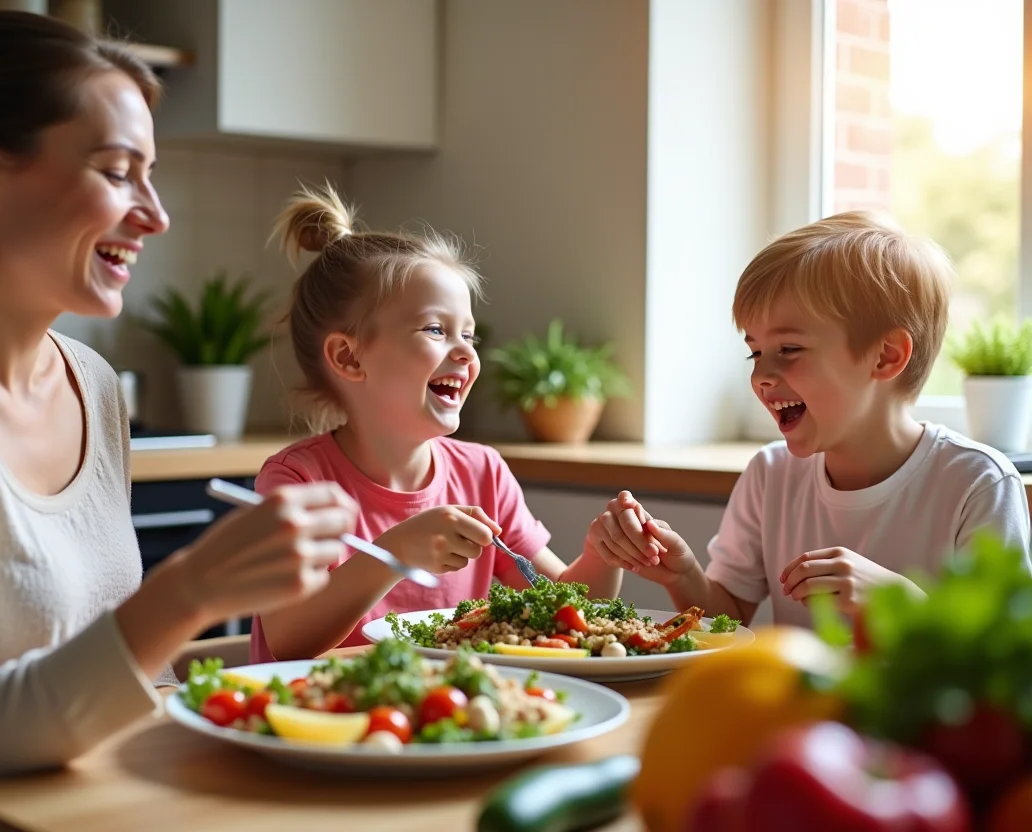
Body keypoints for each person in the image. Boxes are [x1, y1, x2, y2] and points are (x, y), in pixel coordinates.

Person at [0, 12, 356, 831]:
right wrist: (194, 589)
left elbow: (95, 681)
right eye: (117, 171)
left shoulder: (94, 384)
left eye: (153, 174)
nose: (155, 214)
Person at [587, 211, 1032, 627]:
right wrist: (683, 575)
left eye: (789, 350)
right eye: (755, 351)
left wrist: (897, 602)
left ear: (886, 356)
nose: (760, 375)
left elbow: (1006, 665)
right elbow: (731, 615)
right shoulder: (771, 475)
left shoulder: (978, 484)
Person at [248, 183, 631, 662]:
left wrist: (603, 555)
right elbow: (289, 640)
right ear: (348, 357)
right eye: (435, 329)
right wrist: (396, 553)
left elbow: (568, 613)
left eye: (468, 334)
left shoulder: (483, 473)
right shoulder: (296, 483)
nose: (466, 351)